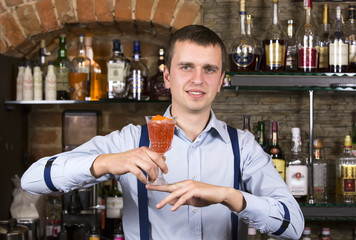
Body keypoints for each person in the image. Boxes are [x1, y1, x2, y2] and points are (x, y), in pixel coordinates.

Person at [21, 25, 304, 239]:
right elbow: (32, 180)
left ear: (221, 82)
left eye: (209, 69)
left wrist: (228, 196)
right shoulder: (130, 140)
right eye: (186, 67)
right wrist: (106, 162)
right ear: (167, 76)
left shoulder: (243, 146)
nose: (197, 79)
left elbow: (294, 225)